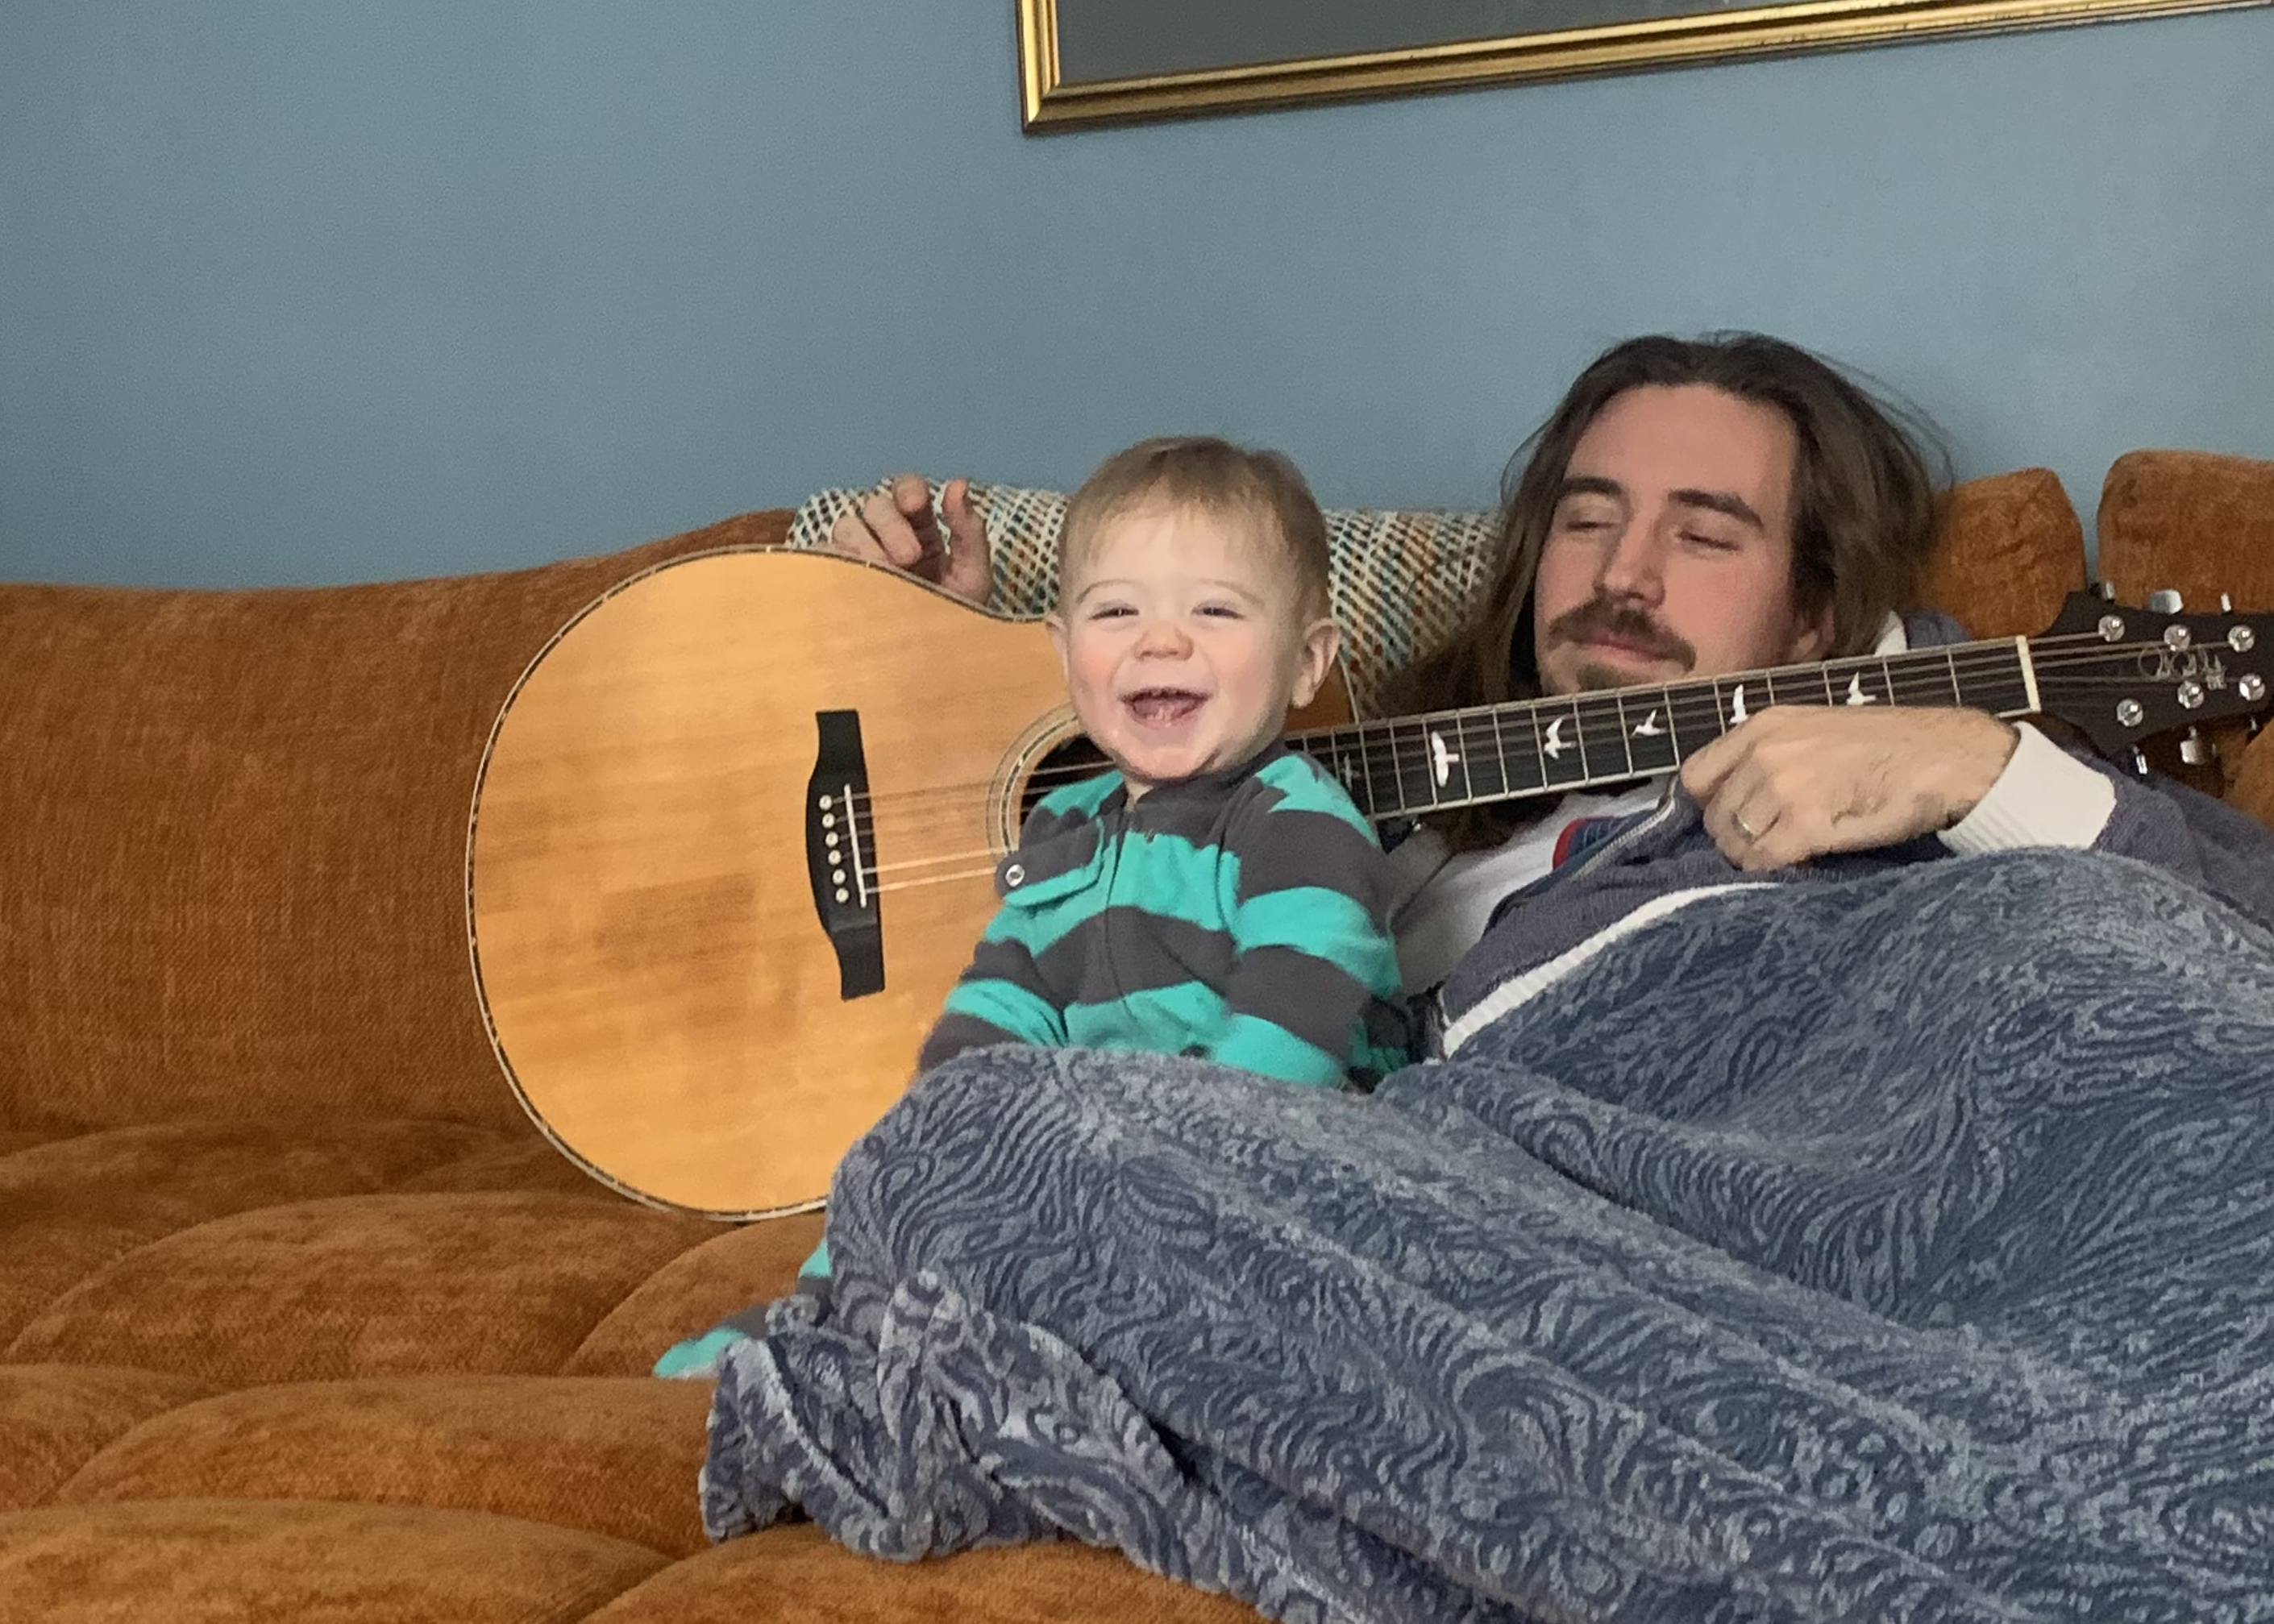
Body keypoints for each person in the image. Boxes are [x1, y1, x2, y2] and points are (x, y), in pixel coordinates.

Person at [827, 334, 2274, 1028]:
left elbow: (2236, 922)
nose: (1622, 573)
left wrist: (1978, 764)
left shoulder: (1918, 724)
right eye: (1588, 519)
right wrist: (933, 665)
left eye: (1703, 533)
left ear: (1817, 614)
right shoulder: (1363, 769)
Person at [656, 434, 1404, 1376]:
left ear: (1306, 661)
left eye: (1214, 609)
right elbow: (1002, 1005)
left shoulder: (1297, 821)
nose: (1160, 640)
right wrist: (937, 1148)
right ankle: (826, 1322)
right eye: (1117, 610)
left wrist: (1168, 1173)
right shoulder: (1063, 825)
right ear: (1063, 650)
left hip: (1274, 1164)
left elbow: (1293, 1027)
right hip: (1100, 1166)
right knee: (919, 1164)